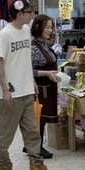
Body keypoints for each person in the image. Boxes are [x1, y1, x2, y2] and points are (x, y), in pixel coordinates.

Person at [0, 0, 56, 170]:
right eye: (29, 12)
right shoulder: (5, 34)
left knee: (32, 131)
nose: (31, 15)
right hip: (10, 93)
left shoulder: (26, 31)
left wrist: (31, 81)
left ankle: (37, 166)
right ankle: (3, 167)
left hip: (26, 90)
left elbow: (25, 59)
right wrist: (5, 89)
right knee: (6, 133)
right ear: (19, 14)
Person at [30, 14, 58, 159]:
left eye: (51, 27)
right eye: (47, 27)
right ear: (38, 27)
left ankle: (31, 145)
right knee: (39, 118)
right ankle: (37, 147)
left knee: (41, 118)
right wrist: (47, 73)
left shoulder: (44, 45)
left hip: (48, 88)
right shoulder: (34, 47)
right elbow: (29, 70)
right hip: (40, 89)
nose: (50, 30)